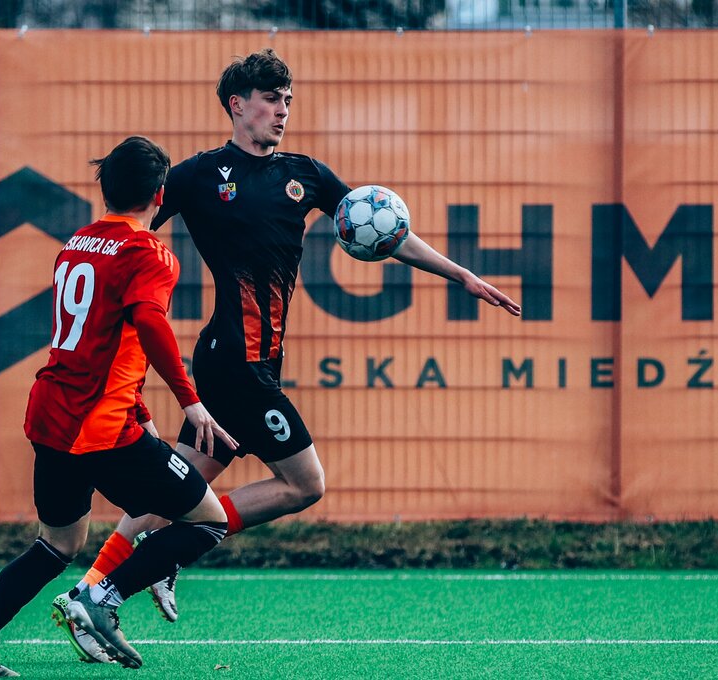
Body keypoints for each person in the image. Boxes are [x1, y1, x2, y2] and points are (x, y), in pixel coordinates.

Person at [57, 48, 523, 662]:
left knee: (178, 490)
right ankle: (131, 577)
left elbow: (386, 229)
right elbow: (128, 228)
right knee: (304, 484)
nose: (283, 110)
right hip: (235, 364)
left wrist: (460, 274)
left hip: (244, 360)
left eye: (288, 100)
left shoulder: (305, 174)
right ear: (237, 105)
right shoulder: (200, 175)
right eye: (272, 99)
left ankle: (91, 591)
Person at [0, 135, 238, 676]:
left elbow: (103, 344)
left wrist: (143, 412)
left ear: (106, 191)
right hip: (97, 426)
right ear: (160, 195)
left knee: (58, 544)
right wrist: (190, 401)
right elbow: (148, 324)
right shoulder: (149, 253)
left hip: (52, 414)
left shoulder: (78, 242)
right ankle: (101, 597)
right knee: (207, 522)